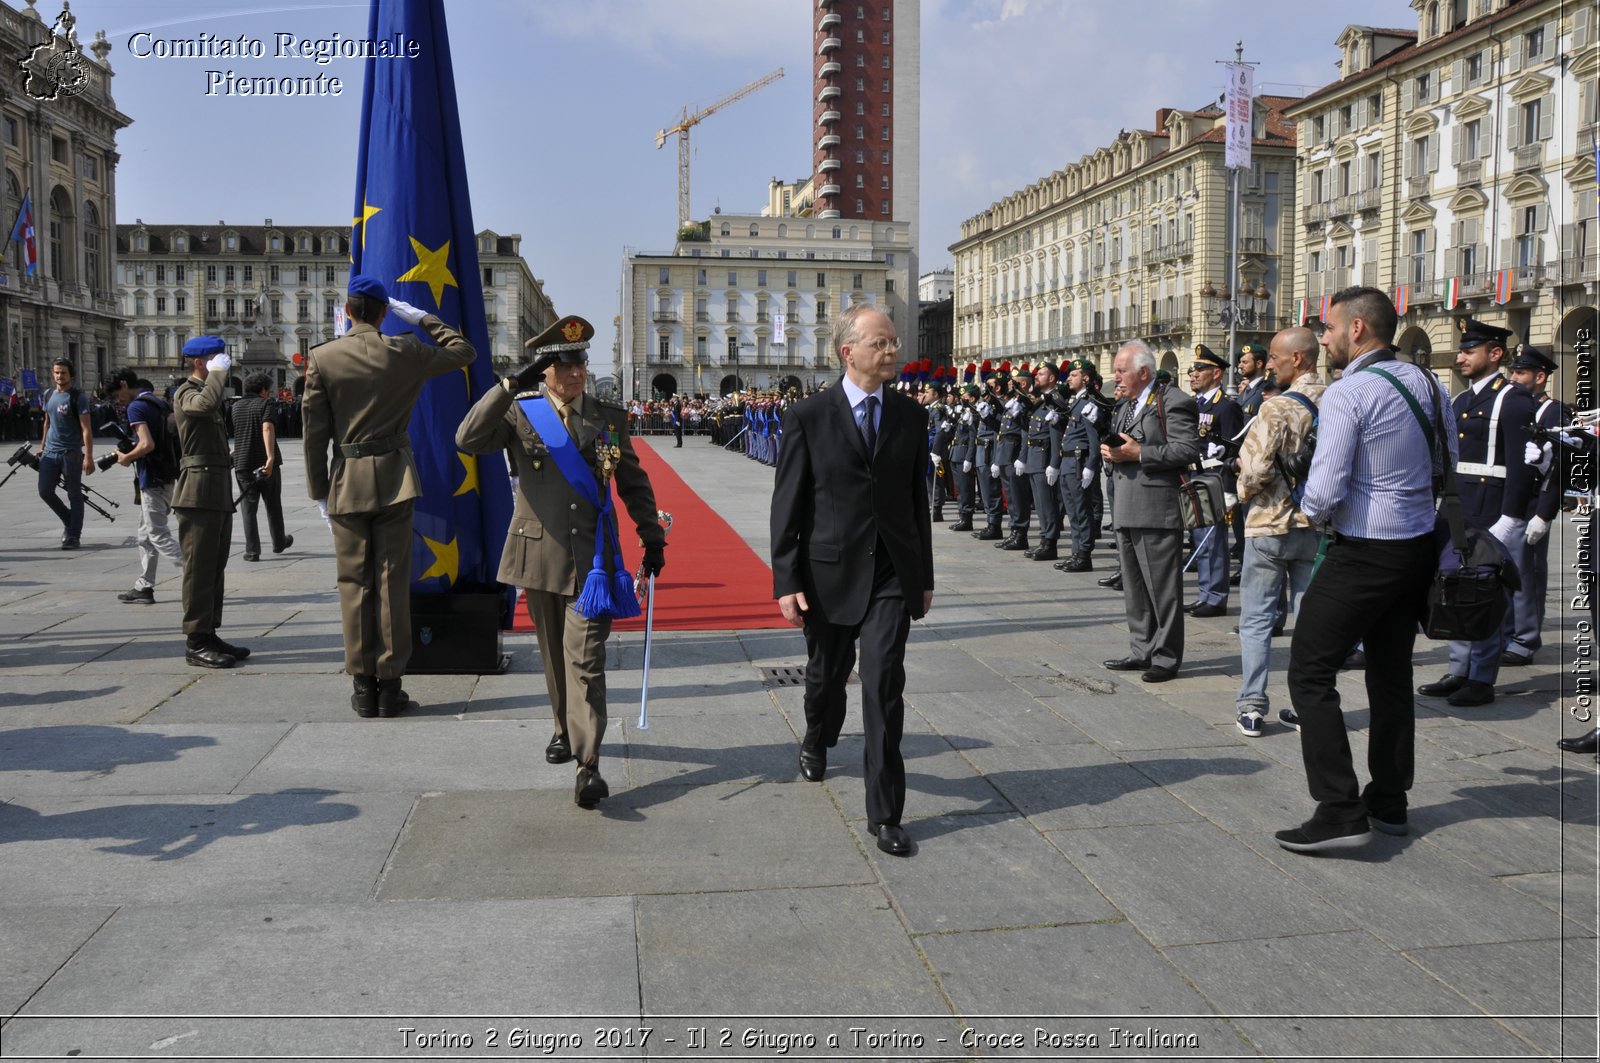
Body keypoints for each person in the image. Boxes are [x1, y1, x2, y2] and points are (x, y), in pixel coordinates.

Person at [456, 314, 666, 808]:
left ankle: (588, 765)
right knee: (553, 657)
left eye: (581, 365)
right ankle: (562, 727)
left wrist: (651, 537)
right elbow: (466, 438)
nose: (576, 375)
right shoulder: (521, 412)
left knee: (586, 660)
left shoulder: (608, 418)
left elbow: (632, 483)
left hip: (593, 561)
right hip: (537, 553)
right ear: (544, 369)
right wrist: (508, 386)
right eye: (564, 365)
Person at [1276, 286, 1456, 854]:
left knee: (1308, 671)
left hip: (1365, 547)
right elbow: (1447, 460)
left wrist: (1305, 508)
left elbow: (1325, 490)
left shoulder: (1350, 392)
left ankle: (1337, 808)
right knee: (1389, 673)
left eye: (1327, 329)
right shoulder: (1431, 383)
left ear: (1356, 330)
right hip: (1417, 546)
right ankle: (1389, 800)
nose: (1322, 339)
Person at [771, 303, 933, 858]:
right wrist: (785, 578)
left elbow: (917, 502)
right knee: (824, 676)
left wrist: (923, 577)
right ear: (849, 352)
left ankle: (885, 812)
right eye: (881, 344)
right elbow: (788, 503)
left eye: (893, 343)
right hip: (828, 574)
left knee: (885, 683)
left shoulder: (911, 417)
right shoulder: (810, 416)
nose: (892, 352)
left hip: (890, 572)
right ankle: (817, 736)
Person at [302, 275, 477, 717]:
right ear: (384, 312)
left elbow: (313, 435)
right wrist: (423, 318)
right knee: (390, 583)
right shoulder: (405, 350)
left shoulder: (323, 358)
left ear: (347, 308)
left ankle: (362, 688)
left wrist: (319, 491)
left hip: (346, 480)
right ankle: (390, 685)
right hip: (396, 478)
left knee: (353, 584)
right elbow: (464, 353)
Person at [1415, 319, 1538, 707]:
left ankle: (1482, 678)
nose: (1461, 356)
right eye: (1461, 350)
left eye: (1469, 350)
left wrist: (1512, 517)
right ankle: (1460, 669)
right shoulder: (1463, 400)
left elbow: (1523, 465)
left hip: (1493, 513)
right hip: (1459, 511)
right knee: (1455, 591)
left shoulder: (1513, 399)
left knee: (1486, 594)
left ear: (1495, 353)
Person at [1232, 327, 1326, 737]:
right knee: (1309, 621)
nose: (1269, 364)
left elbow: (1254, 470)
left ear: (1298, 359)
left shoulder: (1276, 408)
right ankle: (1307, 704)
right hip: (1316, 525)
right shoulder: (1339, 398)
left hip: (1270, 523)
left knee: (1256, 619)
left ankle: (1252, 705)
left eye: (1274, 357)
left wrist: (1240, 490)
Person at [1099, 340, 1199, 683]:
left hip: (1157, 508)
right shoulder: (1124, 405)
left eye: (1121, 370)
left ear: (1144, 372)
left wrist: (1140, 453)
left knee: (1163, 589)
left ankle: (1167, 656)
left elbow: (1187, 449)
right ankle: (1142, 649)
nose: (1116, 377)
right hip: (1126, 504)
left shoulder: (1174, 401)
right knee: (1135, 587)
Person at [172, 337, 248, 669]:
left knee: (215, 568)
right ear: (200, 362)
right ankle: (196, 641)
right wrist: (217, 376)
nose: (224, 361)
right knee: (199, 569)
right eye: (216, 358)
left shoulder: (208, 393)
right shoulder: (187, 391)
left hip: (215, 489)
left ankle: (209, 631)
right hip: (197, 492)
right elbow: (202, 406)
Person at [1502, 343, 1565, 667]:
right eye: (1513, 371)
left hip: (1532, 505)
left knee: (1527, 573)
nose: (1514, 377)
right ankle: (1509, 631)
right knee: (1507, 572)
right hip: (1510, 503)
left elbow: (1558, 468)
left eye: (1521, 372)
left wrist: (1544, 512)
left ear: (1540, 377)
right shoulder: (1515, 405)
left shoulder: (1553, 411)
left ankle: (1525, 639)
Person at [112, 375, 183, 604]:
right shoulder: (159, 403)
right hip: (167, 474)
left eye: (116, 396)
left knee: (158, 534)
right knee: (144, 534)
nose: (119, 402)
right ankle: (144, 585)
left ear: (124, 385)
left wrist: (126, 457)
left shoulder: (136, 407)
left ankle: (197, 577)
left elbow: (147, 444)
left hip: (152, 478)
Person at [1185, 345, 1242, 618]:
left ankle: (1216, 597)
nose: (1193, 375)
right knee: (1199, 538)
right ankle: (1205, 593)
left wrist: (1230, 490)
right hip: (1194, 475)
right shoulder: (1194, 404)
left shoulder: (1226, 406)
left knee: (1214, 539)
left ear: (1216, 373)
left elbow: (1233, 450)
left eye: (1199, 370)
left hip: (1214, 477)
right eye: (1193, 370)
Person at [231, 371, 293, 562]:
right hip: (264, 463)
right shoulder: (266, 403)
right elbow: (267, 427)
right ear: (264, 389)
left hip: (242, 463)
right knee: (273, 504)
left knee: (248, 509)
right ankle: (278, 543)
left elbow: (239, 433)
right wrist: (270, 457)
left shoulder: (236, 406)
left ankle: (252, 551)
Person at [37, 357, 94, 549]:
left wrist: (89, 456)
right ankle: (70, 520)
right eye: (57, 372)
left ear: (71, 375)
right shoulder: (47, 395)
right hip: (50, 454)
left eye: (63, 373)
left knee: (74, 494)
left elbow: (86, 429)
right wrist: (42, 447)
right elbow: (47, 422)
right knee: (45, 491)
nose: (60, 376)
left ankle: (73, 536)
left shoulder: (78, 397)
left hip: (71, 454)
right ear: (53, 374)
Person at [1054, 358, 1104, 573]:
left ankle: (1084, 554)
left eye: (1073, 375)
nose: (1069, 379)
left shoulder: (1089, 403)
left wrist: (1091, 465)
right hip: (1068, 462)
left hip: (1078, 462)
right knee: (1073, 510)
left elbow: (1093, 438)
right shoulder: (1075, 401)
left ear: (1085, 378)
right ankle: (1076, 553)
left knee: (1081, 510)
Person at [1021, 361, 1064, 562]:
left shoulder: (1055, 400)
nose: (1037, 377)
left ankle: (1050, 543)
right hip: (1034, 456)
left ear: (1052, 378)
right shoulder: (1041, 400)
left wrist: (1054, 463)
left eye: (1041, 374)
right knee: (1039, 503)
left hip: (1045, 457)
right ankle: (1044, 539)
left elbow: (1056, 435)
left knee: (1048, 504)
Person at [946, 381, 979, 532]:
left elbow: (973, 438)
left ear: (972, 399)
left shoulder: (973, 414)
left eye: (964, 396)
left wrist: (969, 458)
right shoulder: (964, 413)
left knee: (966, 489)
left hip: (964, 454)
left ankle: (967, 518)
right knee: (959, 488)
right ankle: (962, 516)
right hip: (956, 453)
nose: (961, 399)